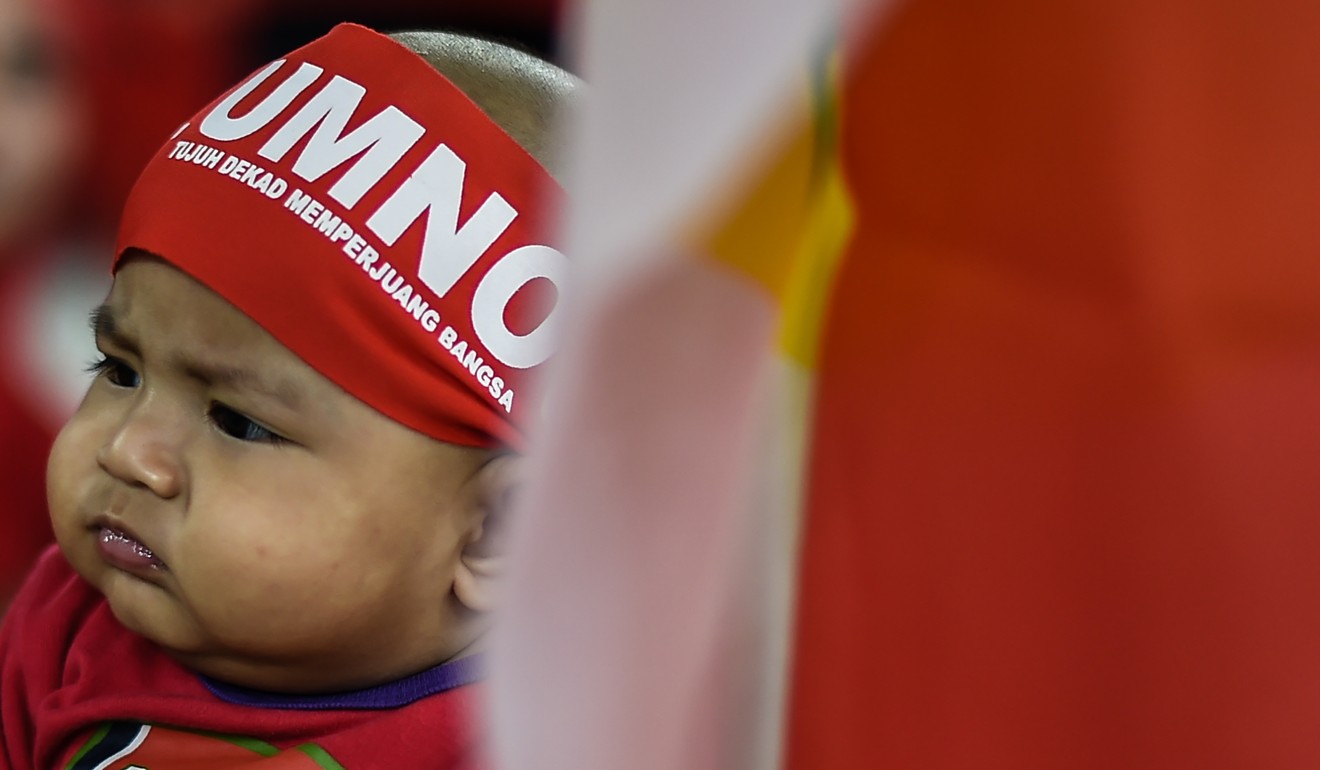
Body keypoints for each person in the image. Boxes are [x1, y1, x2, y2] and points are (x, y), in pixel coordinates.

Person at [0, 23, 576, 768]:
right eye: (120, 371)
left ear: (498, 530)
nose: (127, 451)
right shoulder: (67, 620)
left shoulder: (535, 744)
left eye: (238, 423)